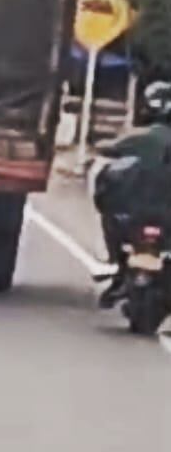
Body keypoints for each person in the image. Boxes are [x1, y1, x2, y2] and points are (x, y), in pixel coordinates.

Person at [93, 80, 171, 307]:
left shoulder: (141, 137)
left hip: (139, 215)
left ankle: (118, 269)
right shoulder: (143, 139)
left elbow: (109, 148)